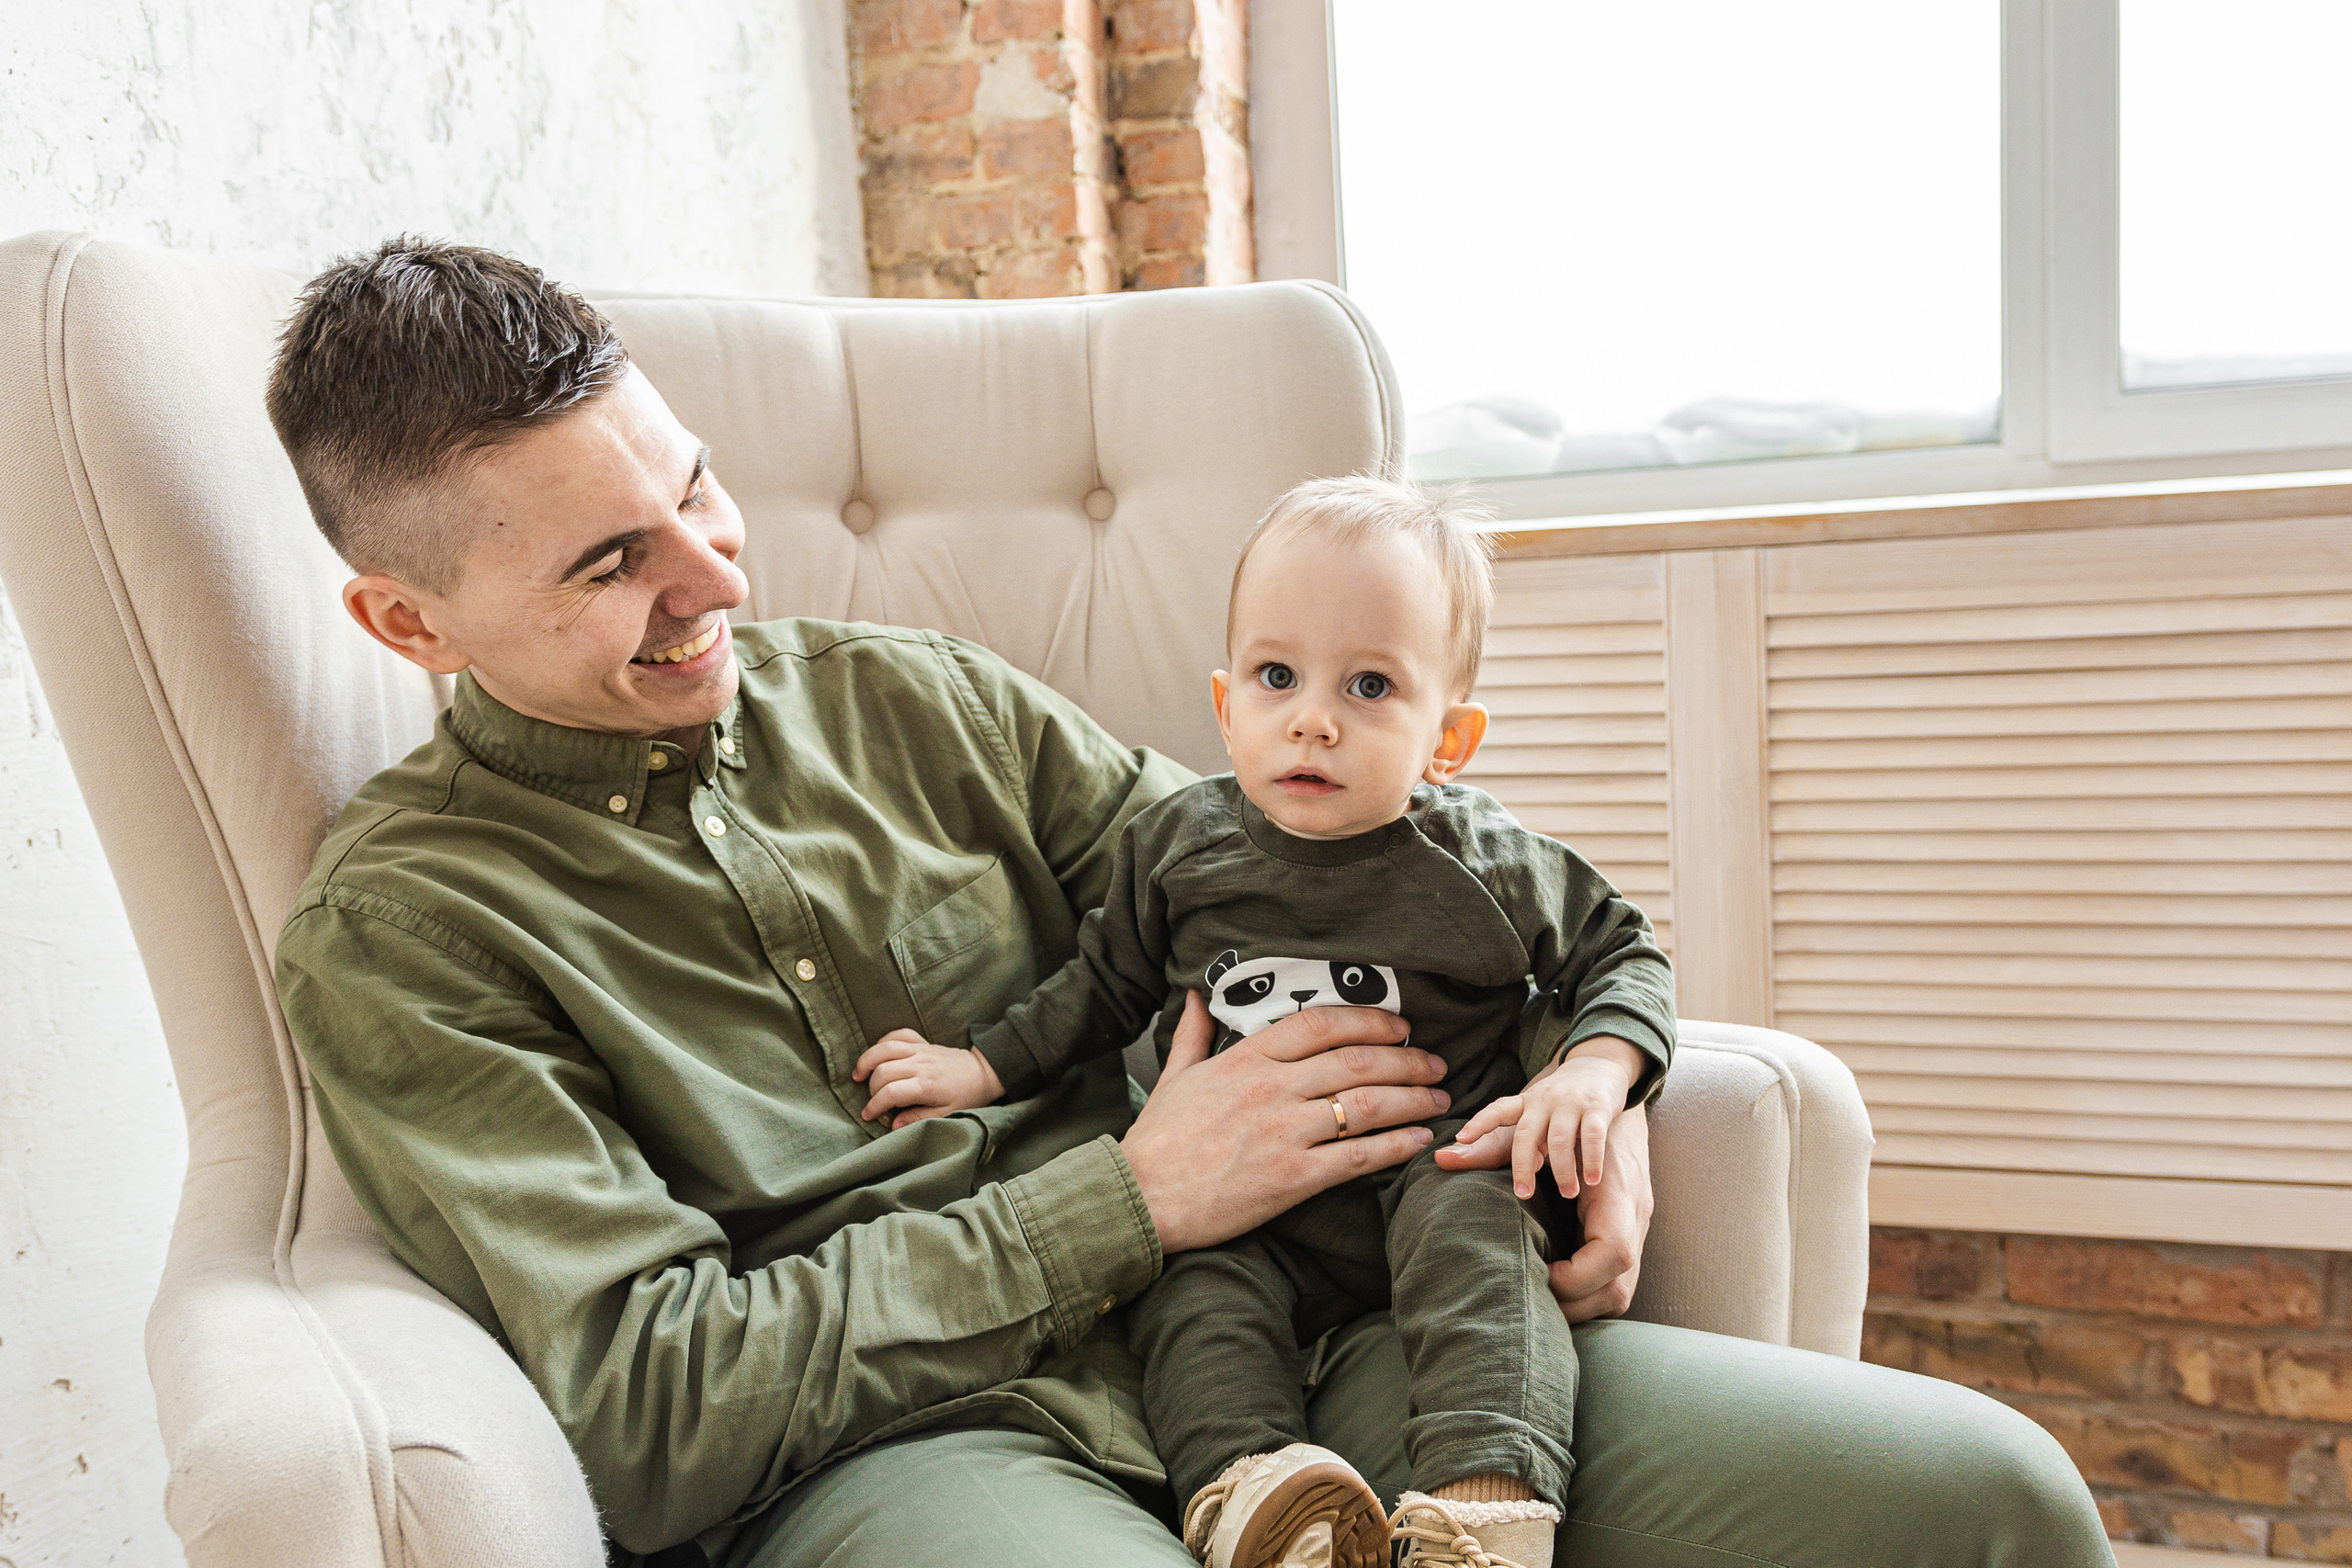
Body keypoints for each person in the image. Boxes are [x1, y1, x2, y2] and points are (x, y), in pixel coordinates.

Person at [267, 238, 2114, 1568]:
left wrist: (1594, 1081)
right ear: (407, 621)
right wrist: (1130, 1198)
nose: (715, 579)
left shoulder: (923, 700)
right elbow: (652, 1414)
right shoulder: (409, 934)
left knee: (1986, 1504)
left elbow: (1342, 886)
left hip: (1314, 1329)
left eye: (699, 494)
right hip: (914, 1456)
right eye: (614, 563)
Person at [851, 477, 1667, 1568]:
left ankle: (1485, 1510)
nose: (1312, 718)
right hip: (1250, 1205)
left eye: (1369, 685)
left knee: (1479, 1233)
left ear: (1448, 739)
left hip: (1433, 1166)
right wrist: (980, 1068)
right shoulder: (1177, 850)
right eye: (1277, 677)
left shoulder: (1486, 865)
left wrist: (1595, 1074)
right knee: (1188, 1294)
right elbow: (1100, 987)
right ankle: (1259, 1497)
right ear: (1227, 704)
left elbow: (1623, 951)